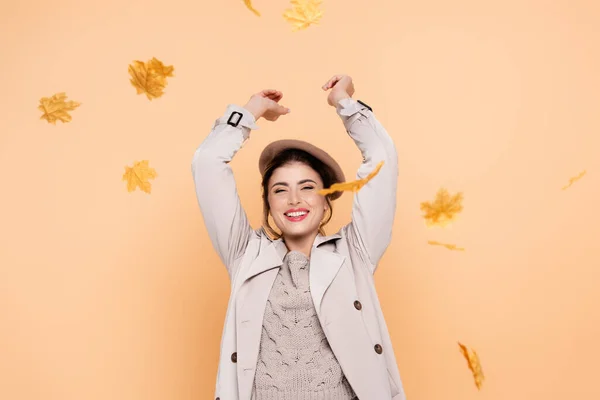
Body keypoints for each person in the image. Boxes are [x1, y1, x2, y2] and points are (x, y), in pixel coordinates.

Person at [192, 74, 407, 400]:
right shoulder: (246, 255)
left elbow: (382, 159)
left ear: (326, 199)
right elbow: (207, 163)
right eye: (281, 190)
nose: (294, 200)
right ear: (268, 202)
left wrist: (344, 103)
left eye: (307, 188)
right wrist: (250, 112)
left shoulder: (354, 253)